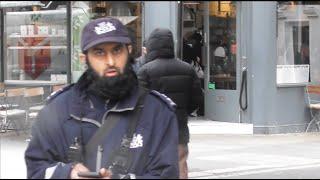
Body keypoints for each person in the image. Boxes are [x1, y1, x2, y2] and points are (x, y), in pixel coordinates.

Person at [25, 17, 179, 179]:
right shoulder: (57, 109)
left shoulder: (158, 112)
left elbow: (167, 174)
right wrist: (67, 174)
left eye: (117, 50)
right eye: (99, 52)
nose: (110, 61)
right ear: (84, 58)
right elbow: (36, 168)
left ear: (129, 50)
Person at [137, 28, 202, 179]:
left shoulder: (144, 71)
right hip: (179, 129)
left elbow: (139, 102)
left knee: (152, 170)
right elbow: (197, 100)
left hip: (152, 131)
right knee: (180, 167)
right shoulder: (188, 69)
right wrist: (183, 111)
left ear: (151, 46)